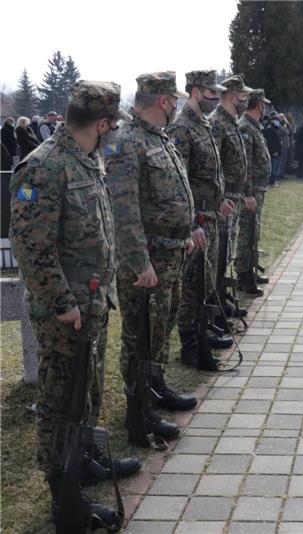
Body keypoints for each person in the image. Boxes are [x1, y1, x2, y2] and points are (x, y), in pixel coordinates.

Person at [9, 80, 140, 530]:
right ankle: (64, 501)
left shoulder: (86, 160)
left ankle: (81, 466)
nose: (115, 134)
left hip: (92, 308)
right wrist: (64, 303)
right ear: (101, 124)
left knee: (86, 395)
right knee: (61, 404)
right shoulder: (44, 167)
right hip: (65, 315)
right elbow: (31, 248)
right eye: (114, 126)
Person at [104, 71, 198, 447]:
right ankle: (138, 413)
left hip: (170, 253)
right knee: (140, 334)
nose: (176, 105)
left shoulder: (157, 139)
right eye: (173, 100)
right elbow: (123, 210)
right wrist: (139, 262)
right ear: (163, 101)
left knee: (160, 329)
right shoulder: (126, 142)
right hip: (148, 262)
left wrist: (185, 232)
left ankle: (154, 391)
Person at [165, 69, 235, 368]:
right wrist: (191, 222)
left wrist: (221, 200)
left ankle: (203, 332)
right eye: (211, 93)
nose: (216, 98)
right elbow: (181, 183)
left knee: (205, 283)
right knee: (192, 286)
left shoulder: (203, 126)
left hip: (211, 215)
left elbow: (211, 174)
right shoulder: (182, 129)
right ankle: (190, 344)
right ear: (195, 92)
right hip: (197, 221)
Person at [210, 74, 254, 321]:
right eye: (244, 97)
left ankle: (223, 299)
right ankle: (216, 305)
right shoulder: (217, 123)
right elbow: (213, 166)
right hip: (224, 198)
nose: (246, 101)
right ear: (232, 97)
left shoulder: (232, 122)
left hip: (234, 196)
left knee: (227, 253)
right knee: (219, 256)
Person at [236, 89, 271, 295]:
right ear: (258, 105)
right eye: (263, 104)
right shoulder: (245, 128)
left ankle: (251, 271)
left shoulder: (253, 127)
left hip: (258, 190)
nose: (265, 107)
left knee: (254, 233)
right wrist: (248, 193)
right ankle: (243, 277)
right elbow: (245, 165)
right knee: (246, 234)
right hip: (251, 192)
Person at [264, 114, 282, 186]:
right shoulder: (270, 129)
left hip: (275, 151)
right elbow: (270, 141)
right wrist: (274, 151)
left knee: (274, 167)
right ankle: (272, 181)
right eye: (277, 121)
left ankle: (272, 181)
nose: (278, 122)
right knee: (273, 168)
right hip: (273, 152)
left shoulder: (272, 128)